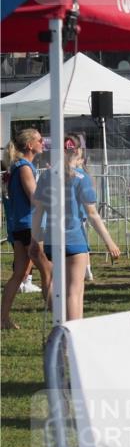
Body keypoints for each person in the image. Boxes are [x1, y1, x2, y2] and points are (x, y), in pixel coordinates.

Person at [31, 135, 120, 319]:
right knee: (75, 291)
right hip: (74, 239)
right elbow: (92, 214)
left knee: (60, 288)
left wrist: (35, 240)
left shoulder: (46, 176)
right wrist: (109, 242)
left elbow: (38, 212)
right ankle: (72, 335)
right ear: (77, 151)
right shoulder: (82, 178)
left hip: (51, 240)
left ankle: (61, 327)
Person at [1, 128, 44, 329]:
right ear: (30, 145)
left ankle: (3, 319)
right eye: (39, 140)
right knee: (49, 270)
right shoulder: (25, 167)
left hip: (19, 226)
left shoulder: (16, 166)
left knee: (19, 273)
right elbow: (34, 198)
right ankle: (59, 316)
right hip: (30, 226)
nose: (42, 143)